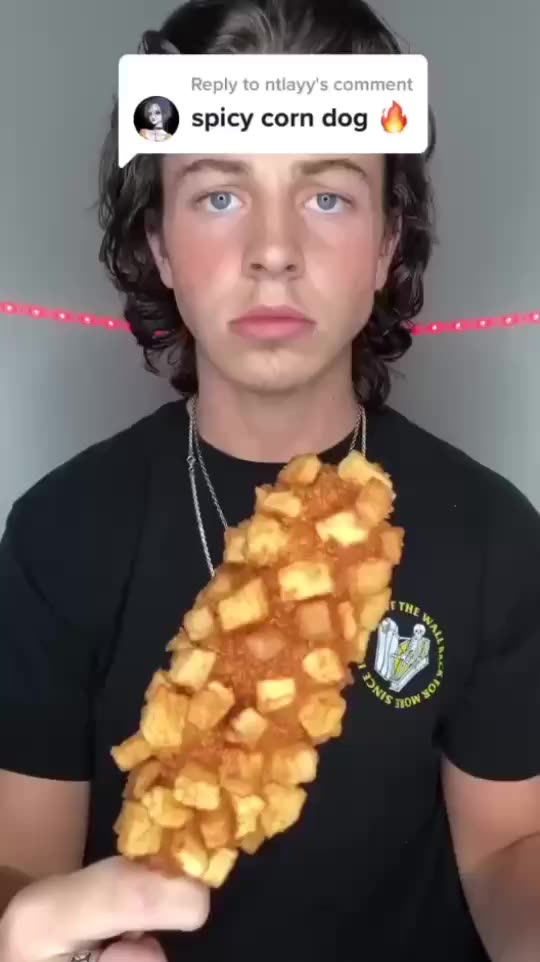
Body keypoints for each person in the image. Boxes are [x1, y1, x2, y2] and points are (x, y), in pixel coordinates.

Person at [1, 0, 539, 961]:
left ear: (387, 244)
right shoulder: (57, 535)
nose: (275, 250)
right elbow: (19, 863)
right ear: (159, 244)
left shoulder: (494, 534)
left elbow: (508, 850)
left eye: (327, 196)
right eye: (220, 195)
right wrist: (44, 935)